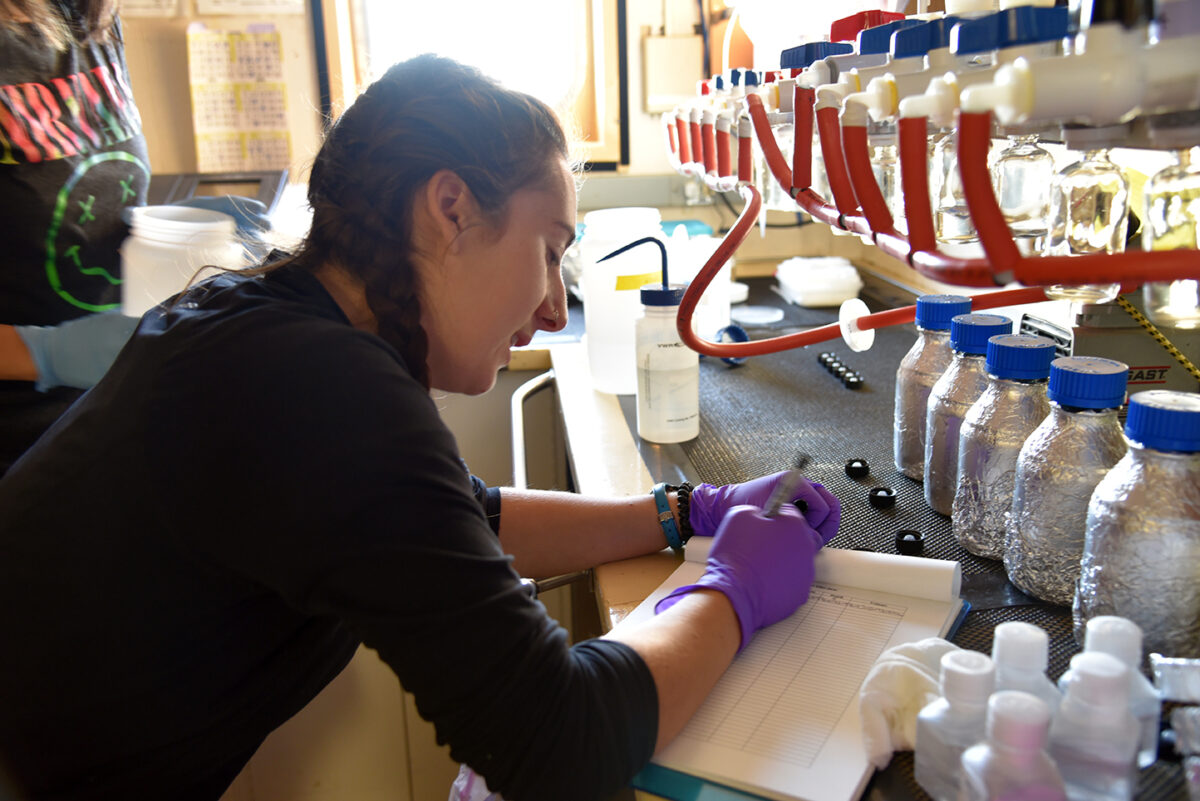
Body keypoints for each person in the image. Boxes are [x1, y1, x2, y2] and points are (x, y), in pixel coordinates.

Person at [0, 54, 842, 801]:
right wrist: (732, 592)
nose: (554, 308)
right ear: (450, 206)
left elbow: (459, 517)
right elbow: (561, 742)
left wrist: (681, 510)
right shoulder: (319, 386)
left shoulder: (267, 321)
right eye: (550, 250)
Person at [0, 0, 152, 476]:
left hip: (104, 418)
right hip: (18, 445)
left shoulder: (90, 18)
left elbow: (101, 185)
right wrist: (47, 355)